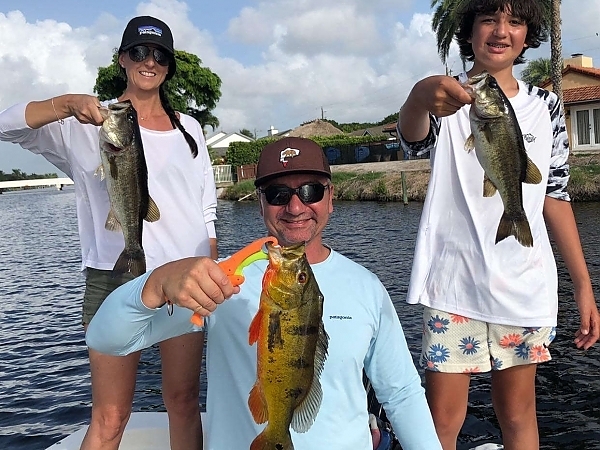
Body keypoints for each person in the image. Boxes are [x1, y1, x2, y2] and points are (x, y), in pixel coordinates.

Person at [86, 136, 443, 449]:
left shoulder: (366, 286)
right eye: (277, 194)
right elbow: (107, 339)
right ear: (260, 203)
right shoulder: (220, 282)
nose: (296, 206)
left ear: (330, 198)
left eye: (311, 191)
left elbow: (401, 393)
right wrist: (156, 282)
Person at [0, 16, 217, 450]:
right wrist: (65, 104)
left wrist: (209, 263)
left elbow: (206, 209)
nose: (149, 61)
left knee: (184, 400)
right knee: (111, 414)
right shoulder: (86, 125)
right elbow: (7, 125)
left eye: (159, 55)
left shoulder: (189, 129)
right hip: (113, 276)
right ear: (122, 59)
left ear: (168, 65)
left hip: (184, 277)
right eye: (138, 52)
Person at [397, 1, 600, 449]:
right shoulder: (445, 97)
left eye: (515, 21)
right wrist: (417, 96)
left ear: (529, 36)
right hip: (453, 284)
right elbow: (412, 140)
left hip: (524, 284)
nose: (501, 31)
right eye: (488, 19)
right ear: (468, 32)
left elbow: (555, 195)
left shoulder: (546, 106)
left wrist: (584, 286)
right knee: (443, 421)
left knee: (517, 413)